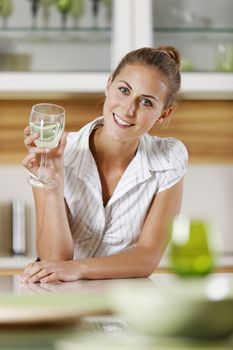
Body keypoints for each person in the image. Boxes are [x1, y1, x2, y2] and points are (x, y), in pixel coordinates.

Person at [21, 45, 188, 283]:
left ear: (163, 114)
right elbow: (55, 259)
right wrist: (51, 182)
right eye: (123, 90)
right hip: (59, 299)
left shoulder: (169, 158)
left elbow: (147, 257)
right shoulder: (57, 152)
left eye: (147, 102)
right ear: (108, 85)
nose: (128, 109)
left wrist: (79, 268)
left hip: (123, 305)